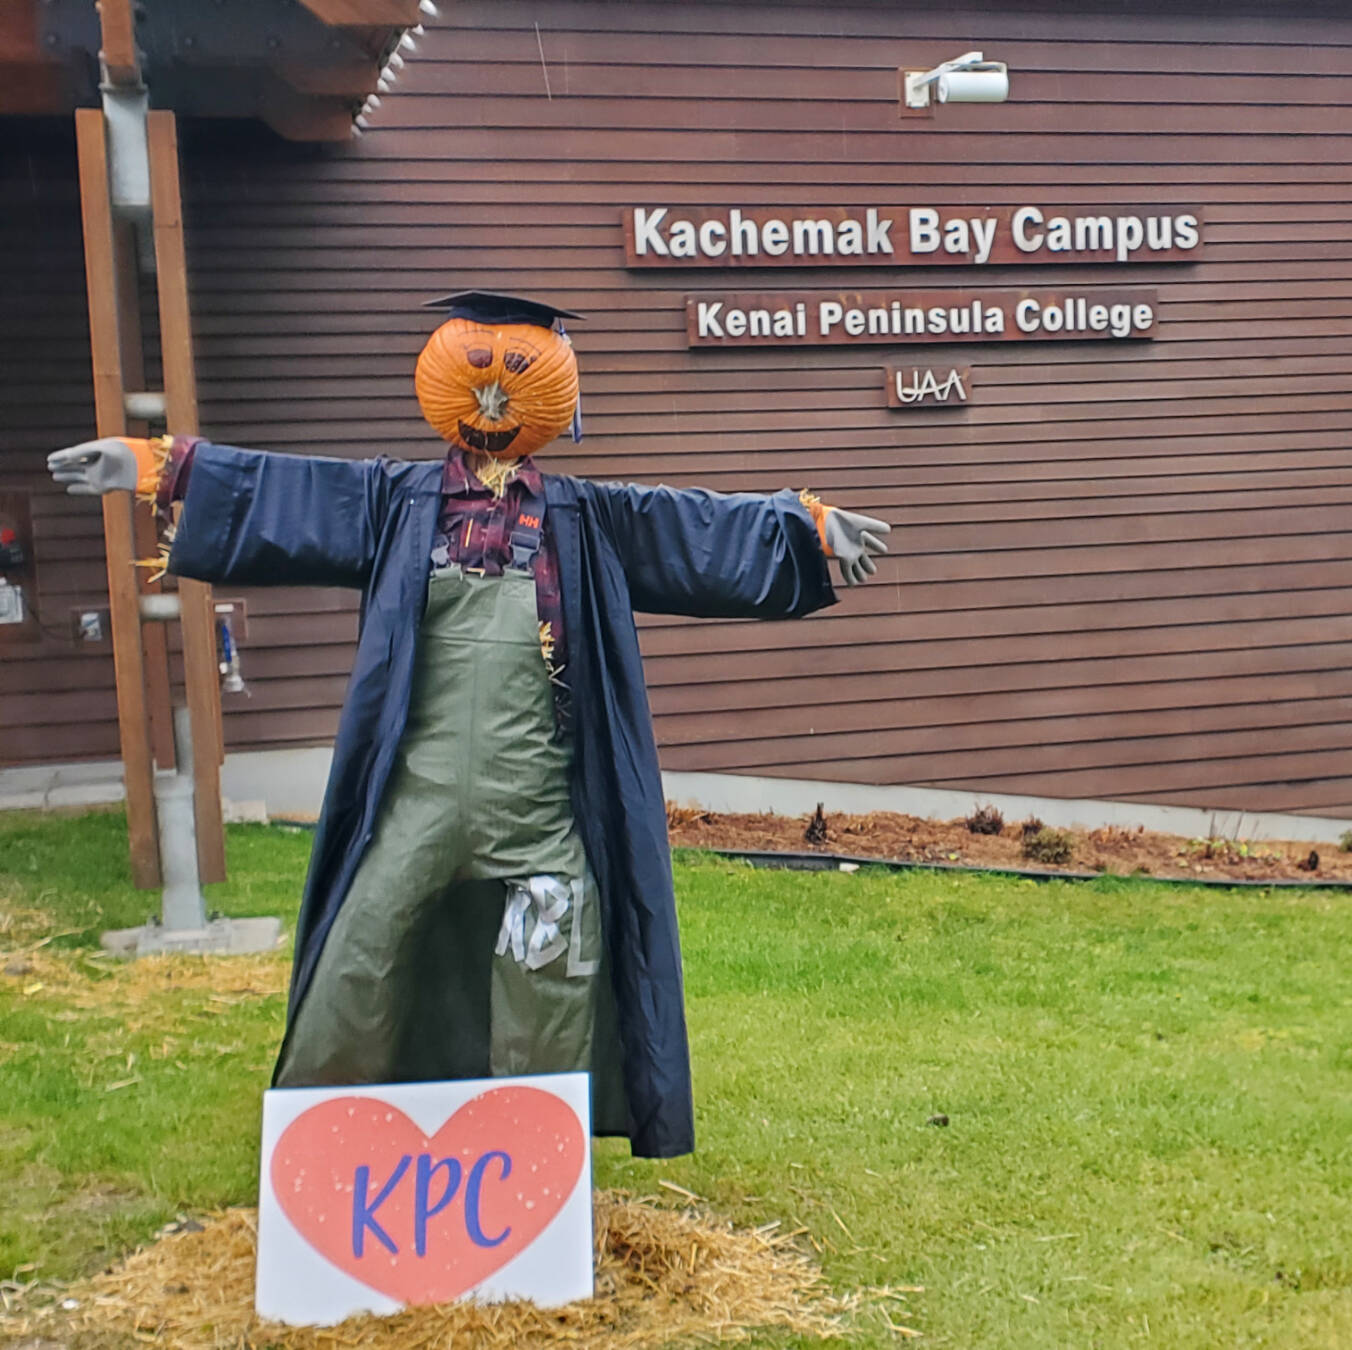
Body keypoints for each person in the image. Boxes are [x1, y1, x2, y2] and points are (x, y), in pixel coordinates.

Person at [47, 291, 892, 1159]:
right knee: (358, 955)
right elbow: (288, 490)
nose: (492, 397)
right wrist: (151, 466)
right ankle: (327, 1150)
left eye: (516, 378)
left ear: (557, 395)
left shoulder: (585, 518)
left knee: (553, 968)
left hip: (540, 816)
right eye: (476, 375)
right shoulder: (395, 501)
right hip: (414, 807)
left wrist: (809, 526)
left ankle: (531, 1157)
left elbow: (694, 529)